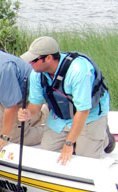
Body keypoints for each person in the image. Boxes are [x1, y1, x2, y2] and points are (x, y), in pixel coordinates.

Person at [18, 36, 115, 165]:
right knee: (48, 151)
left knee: (85, 158)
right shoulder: (36, 74)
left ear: (48, 58)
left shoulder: (79, 71)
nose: (30, 64)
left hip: (89, 116)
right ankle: (77, 140)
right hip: (61, 115)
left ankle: (105, 138)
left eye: (34, 60)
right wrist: (28, 113)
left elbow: (83, 110)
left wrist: (68, 143)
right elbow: (35, 105)